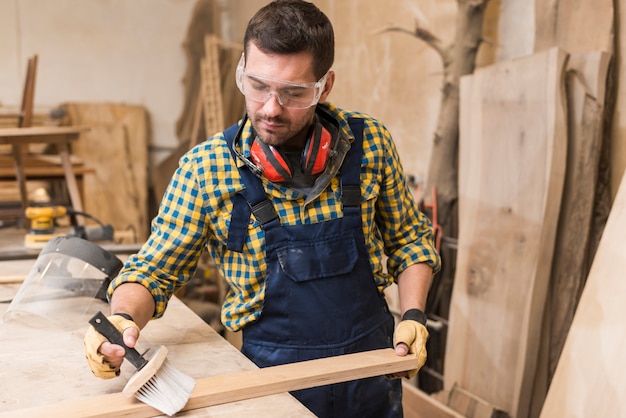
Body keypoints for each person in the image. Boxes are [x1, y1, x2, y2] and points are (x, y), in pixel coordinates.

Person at [83, 0, 440, 416]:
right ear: (242, 71)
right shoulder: (206, 168)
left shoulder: (370, 143)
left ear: (324, 87)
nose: (270, 108)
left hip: (369, 377)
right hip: (271, 386)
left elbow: (410, 240)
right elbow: (153, 270)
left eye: (292, 93)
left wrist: (413, 314)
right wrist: (123, 320)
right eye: (257, 85)